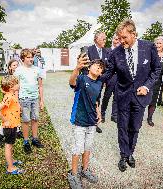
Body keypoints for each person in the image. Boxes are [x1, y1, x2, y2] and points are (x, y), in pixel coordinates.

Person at [101, 19, 161, 171]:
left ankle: (130, 153)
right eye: (119, 38)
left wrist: (147, 86)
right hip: (123, 96)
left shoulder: (148, 47)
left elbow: (157, 70)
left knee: (135, 127)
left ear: (133, 34)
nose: (121, 41)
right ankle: (123, 155)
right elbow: (108, 73)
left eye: (124, 38)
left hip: (140, 98)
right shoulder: (115, 53)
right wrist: (91, 77)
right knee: (122, 127)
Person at [68, 55, 105, 189]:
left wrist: (99, 113)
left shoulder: (100, 83)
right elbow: (72, 82)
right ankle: (73, 174)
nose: (99, 68)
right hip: (79, 119)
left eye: (101, 68)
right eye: (96, 65)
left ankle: (85, 170)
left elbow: (96, 100)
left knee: (88, 147)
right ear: (89, 67)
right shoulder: (82, 79)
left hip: (92, 121)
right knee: (78, 148)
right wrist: (77, 68)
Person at [14, 49, 45, 154]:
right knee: (26, 120)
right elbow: (16, 87)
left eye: (32, 57)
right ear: (23, 59)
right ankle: (26, 141)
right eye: (28, 57)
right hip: (24, 99)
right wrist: (17, 102)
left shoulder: (37, 70)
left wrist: (41, 100)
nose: (31, 59)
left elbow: (40, 86)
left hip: (35, 98)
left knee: (35, 119)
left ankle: (35, 139)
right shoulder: (18, 70)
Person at [0, 75, 24, 175]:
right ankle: (10, 167)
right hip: (9, 126)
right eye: (17, 83)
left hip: (13, 125)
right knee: (8, 146)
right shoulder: (9, 97)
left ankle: (11, 160)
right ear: (11, 87)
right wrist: (5, 120)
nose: (19, 85)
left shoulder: (11, 95)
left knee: (10, 144)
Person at [0, 59, 23, 147]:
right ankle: (1, 135)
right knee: (8, 115)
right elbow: (3, 88)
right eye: (14, 65)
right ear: (9, 67)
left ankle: (17, 131)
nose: (16, 67)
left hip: (15, 98)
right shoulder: (8, 77)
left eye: (17, 65)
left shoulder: (18, 76)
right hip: (10, 98)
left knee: (16, 114)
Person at [147, 36, 163, 126]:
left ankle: (149, 118)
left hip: (160, 83)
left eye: (160, 43)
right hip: (148, 81)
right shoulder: (150, 54)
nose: (158, 45)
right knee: (143, 99)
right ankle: (137, 116)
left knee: (154, 101)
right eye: (156, 43)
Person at [87, 31, 108, 133]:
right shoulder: (89, 50)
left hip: (100, 82)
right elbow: (85, 66)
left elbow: (107, 67)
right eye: (103, 38)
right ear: (96, 39)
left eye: (105, 38)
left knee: (97, 101)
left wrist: (103, 79)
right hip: (90, 81)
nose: (105, 40)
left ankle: (95, 123)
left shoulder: (106, 51)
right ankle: (87, 122)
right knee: (88, 101)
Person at [100, 34, 120, 123]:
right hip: (110, 77)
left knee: (117, 97)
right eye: (116, 39)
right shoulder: (106, 51)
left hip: (119, 77)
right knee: (107, 96)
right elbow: (103, 65)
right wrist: (104, 79)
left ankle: (114, 115)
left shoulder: (122, 51)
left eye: (119, 39)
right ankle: (102, 114)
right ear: (112, 40)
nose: (117, 41)